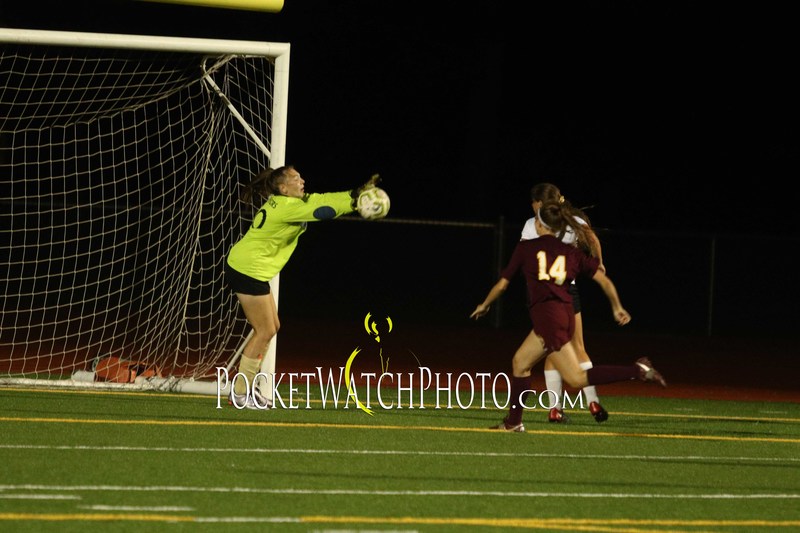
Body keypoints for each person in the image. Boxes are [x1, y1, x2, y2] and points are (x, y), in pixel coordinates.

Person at [471, 200, 666, 432]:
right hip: (564, 314)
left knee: (576, 378)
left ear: (540, 225)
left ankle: (637, 370)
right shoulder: (571, 252)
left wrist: (485, 304)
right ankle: (513, 422)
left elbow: (503, 285)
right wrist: (617, 306)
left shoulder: (526, 248)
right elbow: (603, 280)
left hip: (549, 319)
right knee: (520, 362)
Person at [225, 165, 379, 409]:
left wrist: (353, 195)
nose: (302, 181)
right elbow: (322, 210)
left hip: (250, 268)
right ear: (283, 188)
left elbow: (320, 199)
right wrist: (354, 204)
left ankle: (247, 388)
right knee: (264, 330)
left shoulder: (286, 202)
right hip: (247, 270)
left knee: (272, 327)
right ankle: (239, 393)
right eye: (296, 178)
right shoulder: (288, 208)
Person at [521, 183, 608, 424]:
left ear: (540, 203)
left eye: (534, 203)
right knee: (578, 347)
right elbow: (593, 240)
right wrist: (599, 263)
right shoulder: (573, 220)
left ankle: (555, 409)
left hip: (542, 296)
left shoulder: (532, 224)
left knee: (553, 349)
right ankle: (592, 401)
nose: (533, 207)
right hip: (567, 290)